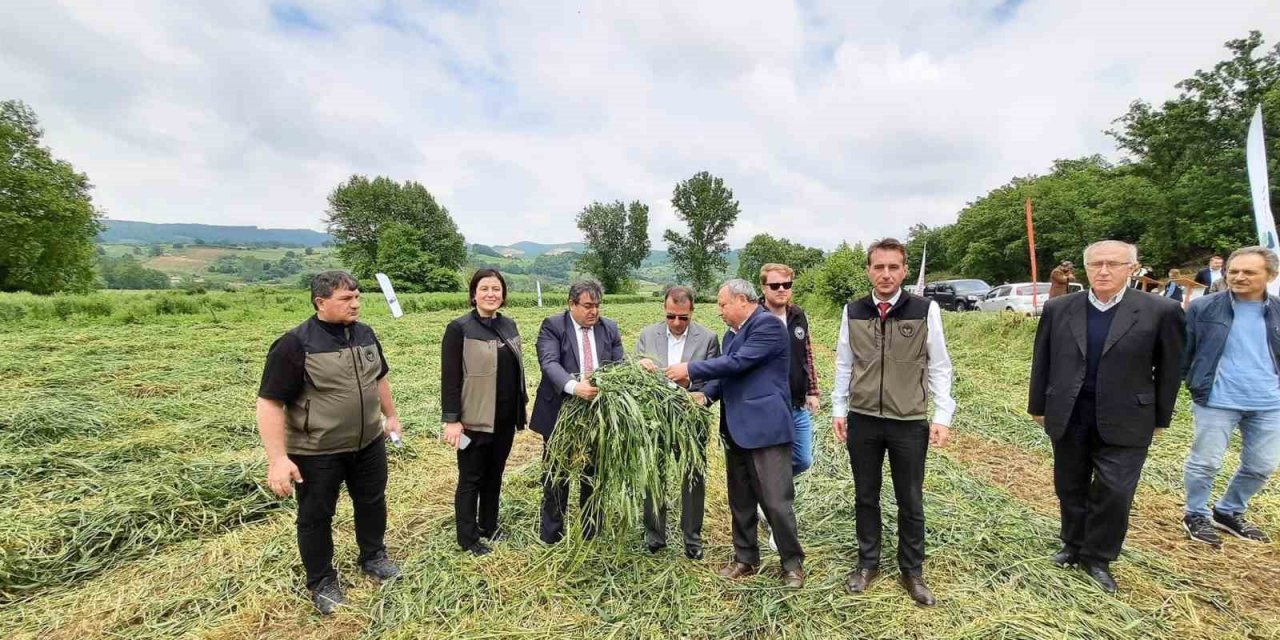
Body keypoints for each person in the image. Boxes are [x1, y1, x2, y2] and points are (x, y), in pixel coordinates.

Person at [1028, 240, 1185, 593]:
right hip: (1071, 413)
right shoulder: (1059, 308)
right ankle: (1072, 545)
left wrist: (1161, 418)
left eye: (1113, 264)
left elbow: (1171, 370)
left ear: (1132, 268)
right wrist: (1038, 406)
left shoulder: (1161, 310)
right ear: (1085, 268)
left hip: (1128, 416)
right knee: (1069, 485)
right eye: (1095, 264)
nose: (1103, 271)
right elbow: (1044, 360)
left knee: (1115, 491)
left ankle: (1098, 557)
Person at [256, 271, 402, 615]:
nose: (355, 304)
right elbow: (269, 402)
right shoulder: (294, 345)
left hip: (368, 442)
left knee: (371, 501)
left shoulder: (365, 334)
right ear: (321, 302)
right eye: (346, 299)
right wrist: (277, 458)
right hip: (317, 450)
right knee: (316, 515)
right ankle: (321, 580)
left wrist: (391, 416)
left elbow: (379, 377)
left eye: (357, 297)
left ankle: (373, 556)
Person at [832, 237, 956, 606]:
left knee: (910, 499)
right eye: (878, 267)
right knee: (865, 496)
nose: (885, 274)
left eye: (893, 267)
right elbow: (844, 363)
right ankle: (867, 563)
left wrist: (942, 414)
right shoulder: (852, 311)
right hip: (864, 419)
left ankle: (912, 571)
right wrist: (839, 410)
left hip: (909, 421)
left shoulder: (924, 309)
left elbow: (939, 365)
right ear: (869, 270)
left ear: (903, 270)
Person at [665, 279, 805, 588]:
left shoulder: (766, 326)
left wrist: (690, 369)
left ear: (742, 300)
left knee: (775, 501)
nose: (720, 311)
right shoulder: (732, 335)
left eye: (723, 304)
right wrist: (706, 395)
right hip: (736, 429)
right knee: (740, 500)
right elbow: (729, 374)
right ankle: (746, 558)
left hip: (766, 429)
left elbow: (739, 362)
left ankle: (792, 564)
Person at [1181, 247, 1280, 547]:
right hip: (1217, 398)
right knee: (1205, 463)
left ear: (1270, 275)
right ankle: (1195, 513)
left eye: (1249, 272)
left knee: (1261, 466)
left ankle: (1229, 510)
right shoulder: (1204, 308)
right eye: (1233, 271)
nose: (1238, 277)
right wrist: (1191, 382)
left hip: (1269, 402)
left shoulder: (1277, 310)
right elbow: (1185, 351)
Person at [441, 269, 528, 556]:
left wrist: (520, 409)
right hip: (474, 419)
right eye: (484, 289)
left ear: (503, 294)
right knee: (471, 477)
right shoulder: (459, 329)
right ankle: (468, 537)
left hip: (503, 417)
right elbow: (450, 378)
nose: (491, 294)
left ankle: (489, 525)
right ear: (473, 294)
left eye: (496, 289)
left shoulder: (509, 325)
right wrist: (452, 420)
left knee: (496, 474)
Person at [530, 280, 624, 544]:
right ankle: (552, 534)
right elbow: (549, 363)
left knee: (593, 475)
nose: (593, 311)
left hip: (597, 413)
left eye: (597, 306)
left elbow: (619, 365)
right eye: (587, 306)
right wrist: (574, 387)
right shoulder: (553, 326)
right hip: (561, 413)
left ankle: (591, 532)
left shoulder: (609, 328)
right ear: (571, 304)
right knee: (556, 476)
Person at [635, 285, 721, 559]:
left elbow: (716, 378)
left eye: (683, 318)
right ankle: (654, 535)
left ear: (692, 312)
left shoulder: (708, 338)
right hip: (655, 420)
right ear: (664, 308)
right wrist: (641, 368)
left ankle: (692, 539)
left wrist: (692, 383)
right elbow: (632, 375)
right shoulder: (648, 335)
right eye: (671, 316)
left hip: (690, 420)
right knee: (654, 475)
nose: (676, 323)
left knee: (693, 478)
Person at [758, 263, 822, 550]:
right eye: (775, 286)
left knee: (803, 459)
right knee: (779, 466)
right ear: (763, 288)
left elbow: (807, 355)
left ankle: (763, 494)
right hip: (770, 408)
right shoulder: (754, 318)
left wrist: (813, 391)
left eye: (786, 284)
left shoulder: (798, 316)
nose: (782, 290)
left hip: (797, 404)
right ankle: (778, 528)